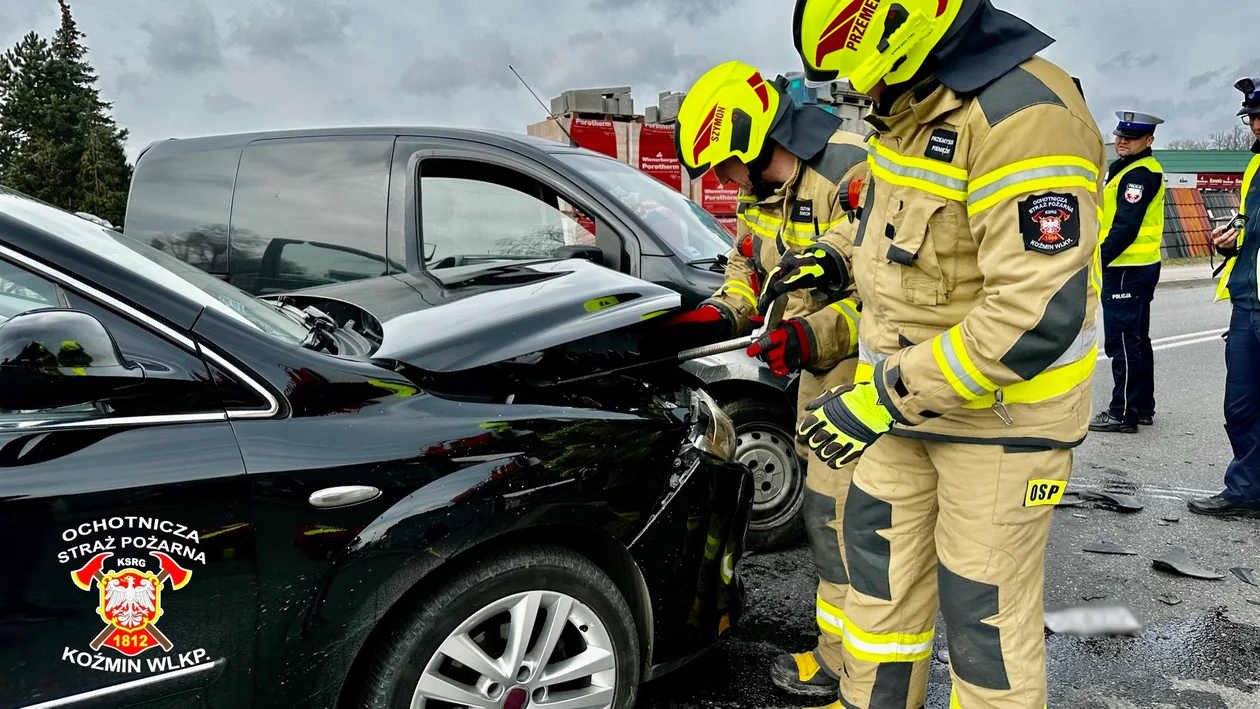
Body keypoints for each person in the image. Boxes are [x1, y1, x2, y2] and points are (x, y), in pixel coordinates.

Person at [784, 1, 1104, 708]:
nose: (856, 95)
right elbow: (888, 231)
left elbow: (1033, 317)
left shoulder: (1027, 116)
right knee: (879, 592)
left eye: (857, 76)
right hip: (899, 412)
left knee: (983, 624)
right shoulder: (908, 112)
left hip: (1000, 425)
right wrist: (829, 263)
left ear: (904, 41)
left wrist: (881, 396)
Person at [664, 60, 871, 698]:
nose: (721, 182)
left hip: (873, 382)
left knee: (859, 531)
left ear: (751, 142)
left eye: (722, 165)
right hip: (817, 381)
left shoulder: (852, 170)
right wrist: (720, 311)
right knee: (826, 523)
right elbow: (748, 264)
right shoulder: (762, 194)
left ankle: (859, 674)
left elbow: (899, 297)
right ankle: (835, 656)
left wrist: (813, 335)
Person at [1188, 77, 1260, 519]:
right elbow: (1249, 225)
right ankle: (1245, 491)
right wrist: (1230, 240)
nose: (1255, 126)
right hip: (1246, 303)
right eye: (1252, 118)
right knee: (1240, 406)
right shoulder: (1255, 166)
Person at [1089, 112, 1166, 434]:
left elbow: (1125, 227)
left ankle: (1122, 412)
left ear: (1148, 141)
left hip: (1125, 268)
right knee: (1136, 339)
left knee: (1122, 342)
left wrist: (1097, 261)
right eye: (1120, 135)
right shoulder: (1132, 168)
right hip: (1138, 267)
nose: (1122, 141)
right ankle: (1142, 407)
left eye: (1131, 138)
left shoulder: (1139, 175)